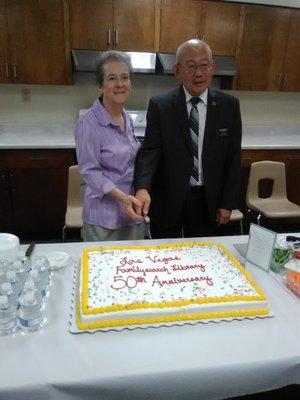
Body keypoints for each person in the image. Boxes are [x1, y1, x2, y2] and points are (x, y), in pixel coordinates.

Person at [134, 39, 242, 238]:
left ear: (213, 68)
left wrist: (227, 203)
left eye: (204, 65)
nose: (199, 73)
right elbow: (150, 152)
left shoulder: (229, 106)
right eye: (191, 66)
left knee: (203, 260)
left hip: (208, 202)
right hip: (168, 199)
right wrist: (142, 187)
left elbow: (233, 160)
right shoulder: (160, 105)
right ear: (177, 71)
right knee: (165, 260)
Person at [75, 51, 144, 241]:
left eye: (125, 77)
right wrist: (122, 198)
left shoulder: (127, 118)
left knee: (134, 267)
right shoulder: (88, 123)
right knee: (103, 269)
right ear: (100, 85)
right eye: (112, 78)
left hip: (131, 214)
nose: (120, 84)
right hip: (103, 218)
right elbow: (90, 171)